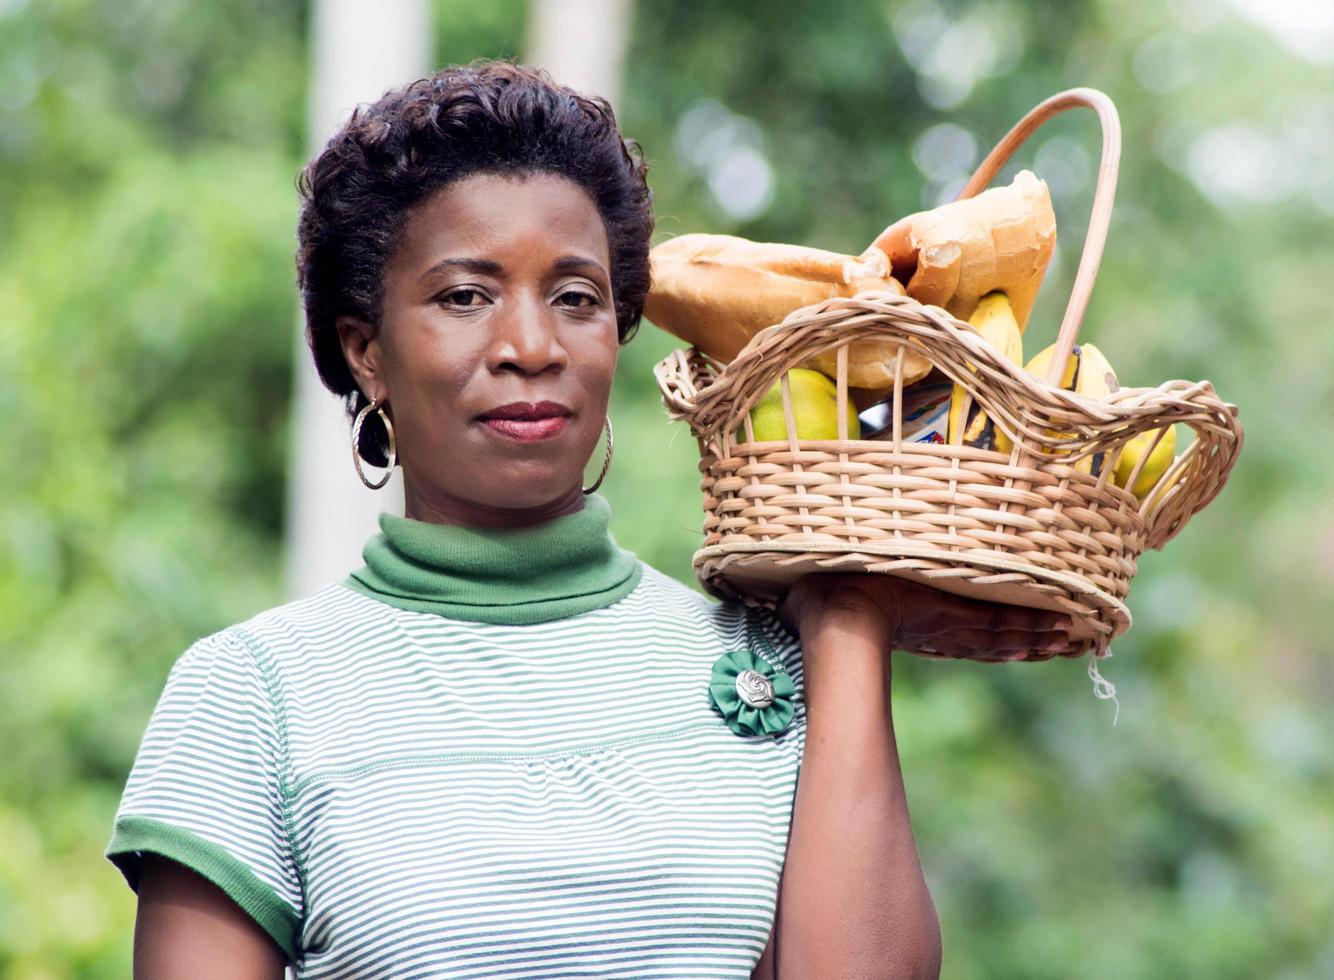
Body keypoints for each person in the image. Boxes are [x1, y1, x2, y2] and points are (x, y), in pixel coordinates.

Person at [105, 60, 1072, 979]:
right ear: (366, 350)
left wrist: (851, 617)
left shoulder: (769, 667)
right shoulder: (250, 698)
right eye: (464, 296)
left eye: (576, 297)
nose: (530, 345)